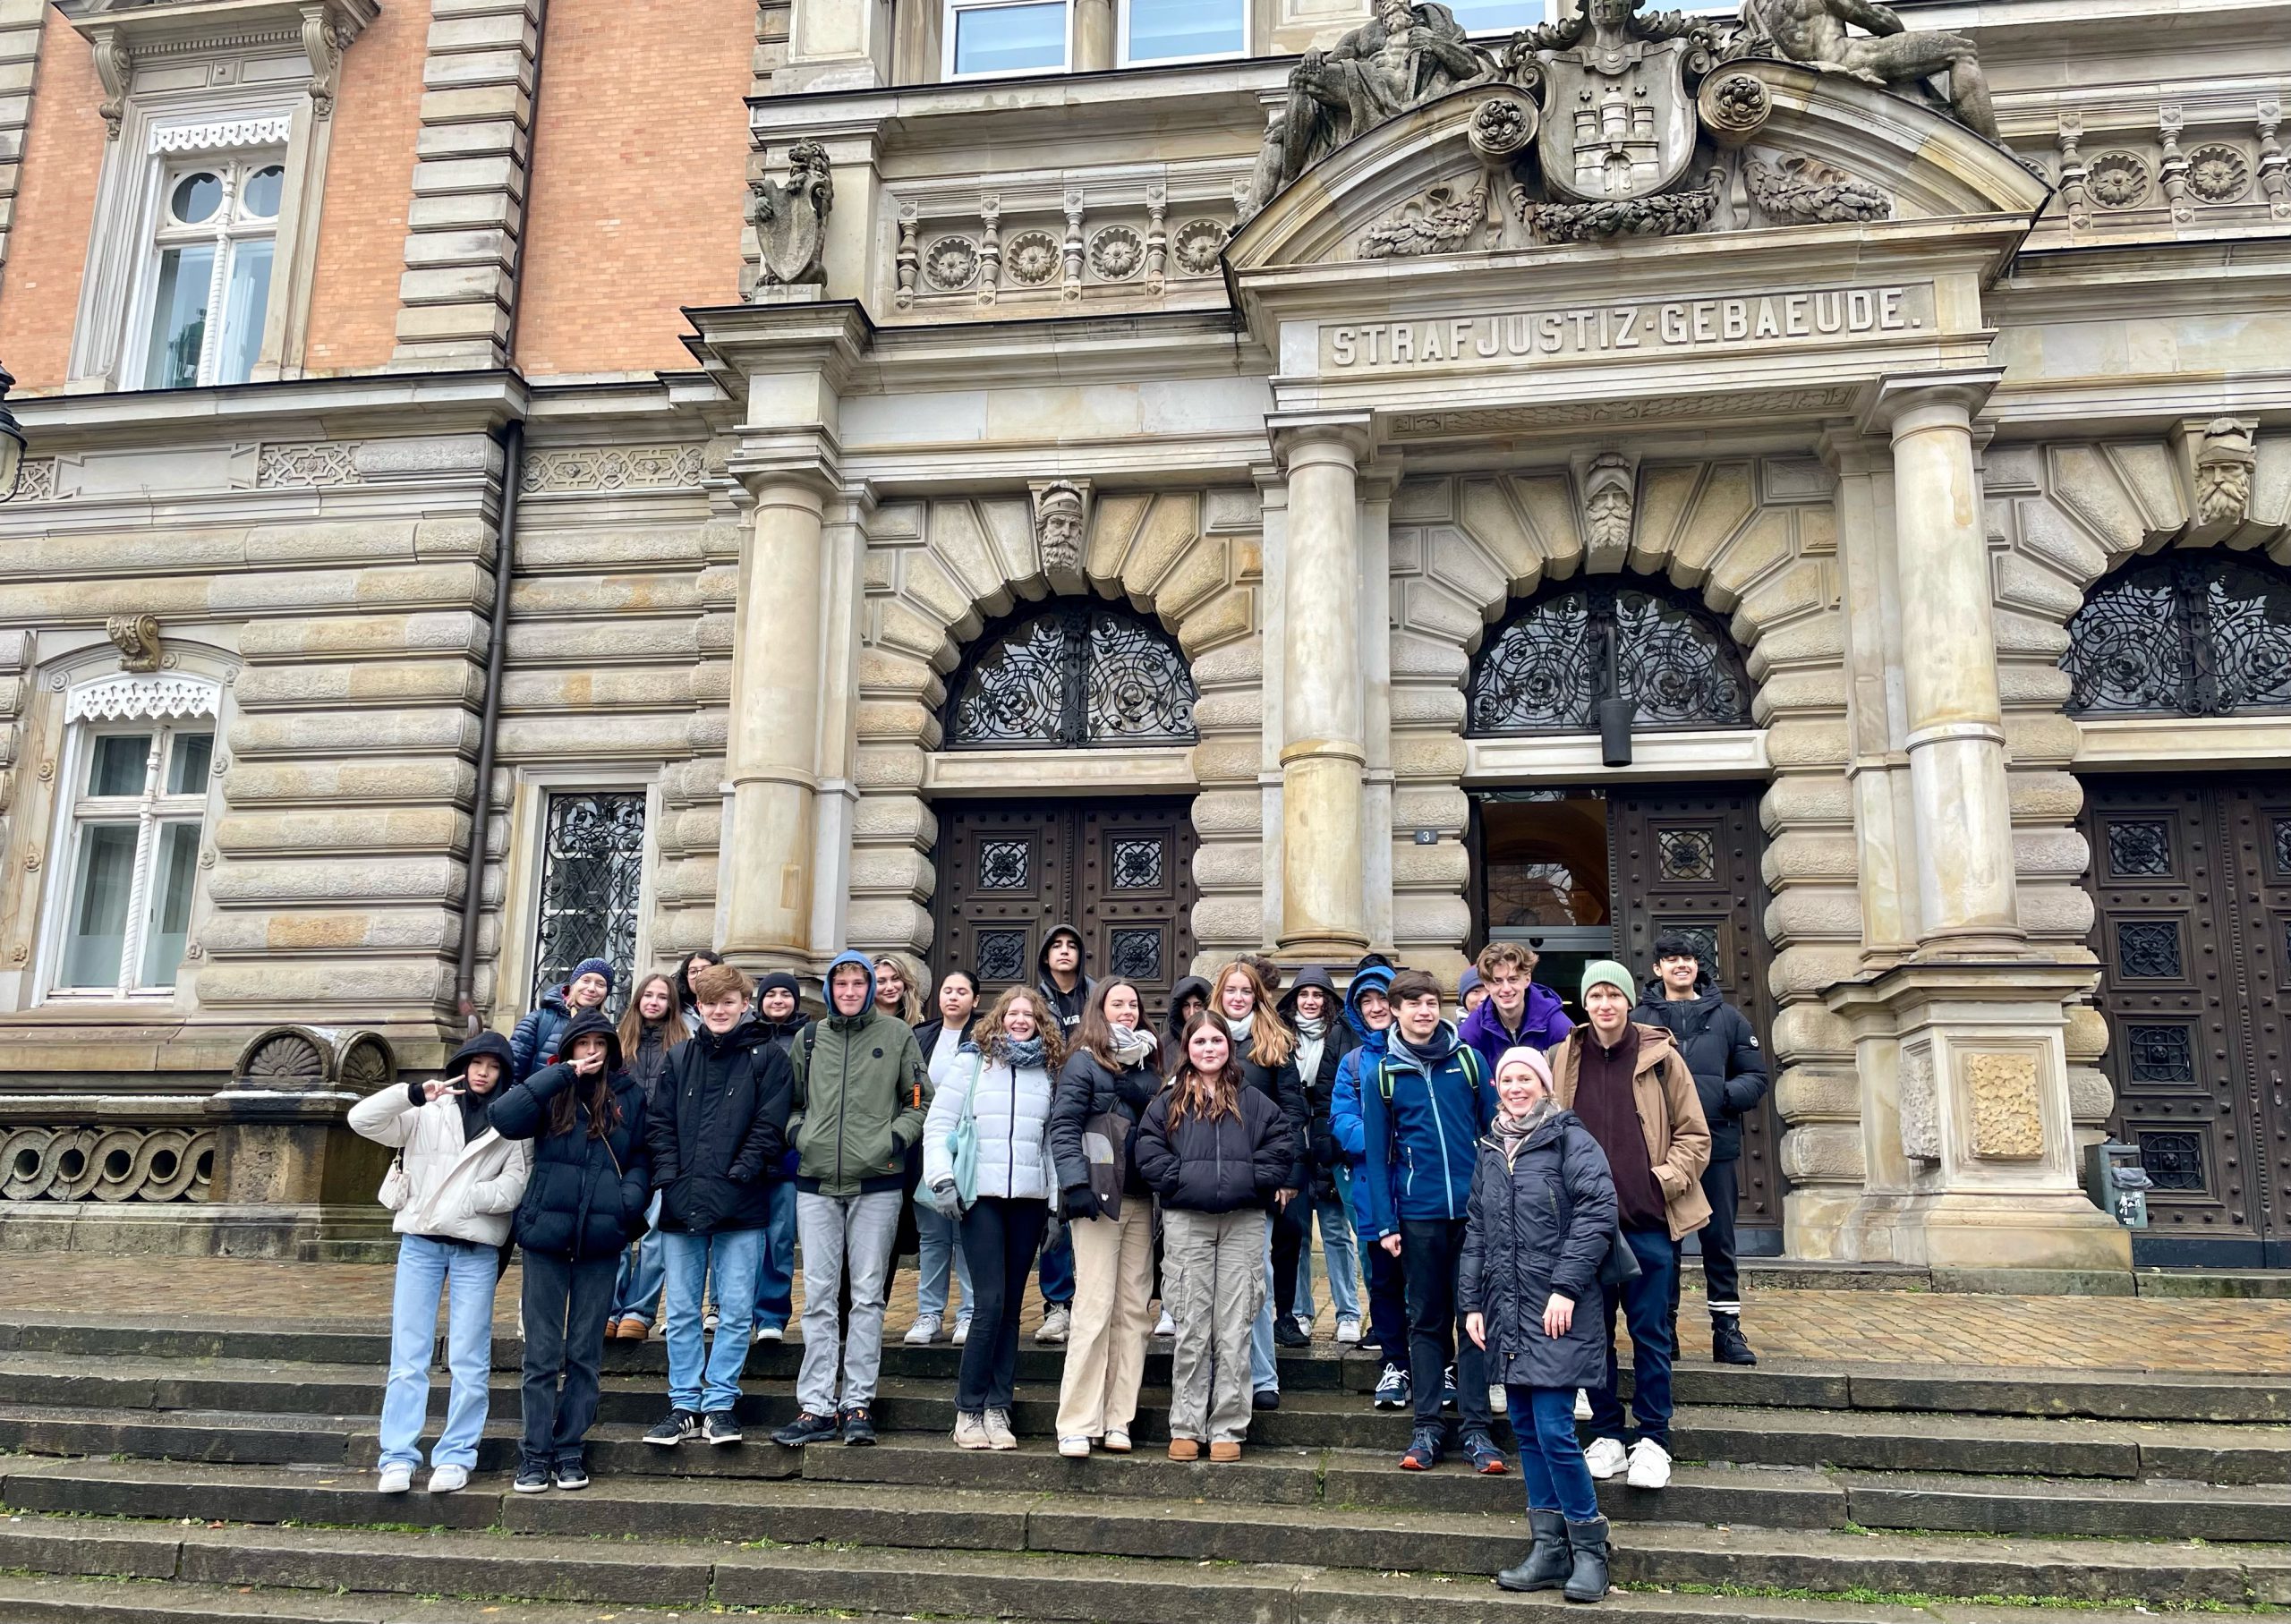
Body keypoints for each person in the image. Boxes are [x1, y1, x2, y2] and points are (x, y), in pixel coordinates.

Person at [1461, 1047, 1618, 1604]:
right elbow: (1477, 1230)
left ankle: (1591, 1548)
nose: (1515, 1087)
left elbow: (1598, 1212)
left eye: (1525, 1077)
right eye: (1507, 1078)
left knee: (1554, 1428)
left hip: (1557, 1306)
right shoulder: (1490, 1148)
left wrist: (1566, 1288)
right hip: (1506, 1308)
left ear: (1544, 1085)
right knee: (1526, 1428)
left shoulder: (1569, 1138)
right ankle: (1549, 1548)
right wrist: (1471, 1304)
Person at [1551, 959, 1711, 1493]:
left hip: (1647, 1224)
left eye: (1613, 995)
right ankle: (1606, 1433)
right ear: (1585, 1003)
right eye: (1595, 995)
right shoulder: (1562, 1057)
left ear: (1628, 1001)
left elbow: (1695, 1134)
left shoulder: (1661, 1057)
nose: (1604, 1005)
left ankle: (1653, 1438)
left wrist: (1660, 1182)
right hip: (1584, 1229)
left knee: (1651, 1335)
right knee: (1591, 1336)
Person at [348, 1033, 532, 1495]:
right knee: (408, 1355)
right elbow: (360, 1119)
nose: (483, 1072)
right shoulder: (428, 1111)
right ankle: (397, 1456)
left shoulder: (512, 1124)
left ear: (504, 1073)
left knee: (469, 1357)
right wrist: (412, 1093)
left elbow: (516, 1186)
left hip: (476, 1248)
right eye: (476, 1063)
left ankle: (456, 1455)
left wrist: (467, 1198)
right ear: (462, 1065)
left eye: (493, 1065)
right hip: (421, 1244)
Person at [488, 1009, 652, 1492]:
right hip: (546, 1235)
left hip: (602, 1237)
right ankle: (534, 1454)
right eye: (583, 1044)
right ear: (570, 1048)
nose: (592, 1052)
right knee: (541, 1354)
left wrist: (627, 1202)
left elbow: (643, 1156)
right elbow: (504, 1117)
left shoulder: (628, 1095)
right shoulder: (552, 1089)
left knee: (584, 1353)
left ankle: (569, 1448)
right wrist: (559, 1074)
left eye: (600, 1044)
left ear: (612, 1050)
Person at [775, 952, 932, 1449]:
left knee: (867, 1296)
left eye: (858, 984)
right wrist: (801, 1137)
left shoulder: (896, 1035)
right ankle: (816, 1405)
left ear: (869, 990)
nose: (849, 992)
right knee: (819, 1297)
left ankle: (857, 1402)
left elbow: (918, 1097)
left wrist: (894, 1139)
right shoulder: (809, 1038)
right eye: (841, 984)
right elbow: (791, 1102)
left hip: (878, 1183)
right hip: (816, 1183)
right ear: (829, 989)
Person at [1359, 968, 1505, 1475]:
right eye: (1414, 1004)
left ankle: (1477, 1429)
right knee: (1425, 1320)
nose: (1424, 1012)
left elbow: (1496, 1134)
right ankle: (1426, 1427)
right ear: (1395, 1011)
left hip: (1473, 1216)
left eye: (1431, 1003)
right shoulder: (1382, 1074)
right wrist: (1386, 1223)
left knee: (1474, 1319)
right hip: (1417, 1216)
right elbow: (1376, 1155)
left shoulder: (1468, 1061)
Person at [643, 961, 791, 1450]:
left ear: (744, 1004)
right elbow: (659, 1124)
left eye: (728, 1002)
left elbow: (770, 1126)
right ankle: (684, 1403)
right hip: (682, 1198)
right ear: (699, 1006)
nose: (719, 1011)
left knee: (735, 1309)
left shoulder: (769, 1058)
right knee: (683, 1310)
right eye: (710, 1003)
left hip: (741, 1201)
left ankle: (720, 1403)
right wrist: (669, 1176)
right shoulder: (680, 1056)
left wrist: (741, 1172)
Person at [1135, 1014, 1290, 1463]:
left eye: (1216, 1040)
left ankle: (1228, 1425)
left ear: (1229, 1046)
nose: (1209, 1048)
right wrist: (1181, 1180)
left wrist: (1251, 1181)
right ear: (1187, 1048)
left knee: (1235, 1325)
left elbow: (1281, 1144)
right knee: (1191, 1324)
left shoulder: (1253, 1099)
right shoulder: (1169, 1101)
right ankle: (1186, 1425)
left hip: (1243, 1221)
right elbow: (1148, 1148)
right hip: (1188, 1221)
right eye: (1200, 1041)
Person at [924, 984, 1060, 1450]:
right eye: (1012, 1013)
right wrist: (942, 1179)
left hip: (1029, 1199)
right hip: (980, 1198)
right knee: (990, 1302)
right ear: (999, 1018)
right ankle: (968, 1408)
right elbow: (939, 1124)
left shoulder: (1048, 1070)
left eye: (1029, 1015)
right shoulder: (973, 1062)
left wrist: (1055, 1203)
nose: (1020, 1020)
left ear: (1040, 1023)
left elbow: (1050, 1141)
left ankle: (998, 1407)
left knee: (1012, 1308)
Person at [1634, 932, 1769, 1367]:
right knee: (1664, 1242)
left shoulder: (1729, 1018)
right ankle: (1665, 1329)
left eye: (1688, 958)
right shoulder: (1639, 1020)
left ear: (1697, 966)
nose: (1681, 965)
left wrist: (1719, 1097)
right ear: (1658, 968)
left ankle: (1726, 1332)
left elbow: (1755, 1077)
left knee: (1719, 1241)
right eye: (1672, 958)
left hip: (1716, 1146)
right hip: (1659, 1151)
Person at [1048, 978, 1162, 1457]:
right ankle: (1078, 1420)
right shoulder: (1084, 1060)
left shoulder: (1151, 1063)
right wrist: (1074, 1184)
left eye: (1133, 1004)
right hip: (1097, 1199)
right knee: (1093, 1308)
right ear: (1100, 1008)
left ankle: (1119, 1418)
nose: (1127, 1010)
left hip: (1141, 1198)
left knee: (1133, 1312)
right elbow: (1064, 1124)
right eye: (1118, 1003)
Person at [1211, 959, 1306, 1409]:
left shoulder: (1275, 1041)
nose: (1238, 998)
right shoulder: (1203, 1035)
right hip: (1206, 1178)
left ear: (1257, 996)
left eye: (1245, 991)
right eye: (1231, 990)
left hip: (1258, 1179)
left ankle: (1264, 1376)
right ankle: (1219, 1373)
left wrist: (1288, 1175)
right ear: (1219, 994)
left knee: (1257, 1279)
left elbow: (1292, 1112)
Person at [1328, 962, 1409, 1407]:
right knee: (1383, 1282)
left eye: (1382, 998)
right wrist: (1388, 1141)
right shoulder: (1354, 1063)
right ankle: (1394, 1363)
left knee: (1428, 1284)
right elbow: (1342, 1121)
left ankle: (1437, 1365)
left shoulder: (1422, 1051)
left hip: (1421, 1188)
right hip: (1374, 1188)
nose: (1376, 1007)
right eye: (1366, 1001)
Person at [1279, 966, 1361, 1346]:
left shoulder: (1342, 1033)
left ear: (1328, 1000)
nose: (1310, 1001)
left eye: (1317, 995)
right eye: (1304, 994)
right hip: (1294, 1142)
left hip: (1329, 1140)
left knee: (1335, 1230)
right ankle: (1300, 1311)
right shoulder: (1280, 1034)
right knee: (1295, 1232)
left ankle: (1348, 1312)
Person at [607, 974, 686, 1341]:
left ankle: (639, 1310)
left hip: (665, 1148)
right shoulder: (619, 1042)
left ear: (672, 1004)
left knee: (656, 1232)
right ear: (638, 999)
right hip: (622, 1147)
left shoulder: (683, 1044)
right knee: (618, 1226)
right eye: (648, 995)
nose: (654, 1002)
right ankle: (610, 1306)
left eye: (662, 996)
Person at [907, 967, 980, 1346]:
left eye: (962, 991)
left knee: (967, 1235)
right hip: (927, 1147)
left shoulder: (985, 1036)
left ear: (975, 1000)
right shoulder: (921, 1036)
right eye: (948, 990)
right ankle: (929, 1313)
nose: (953, 997)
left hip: (970, 1149)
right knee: (933, 1236)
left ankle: (968, 1313)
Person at [1033, 925, 1093, 1347]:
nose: (1064, 952)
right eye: (1057, 946)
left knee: (1092, 1205)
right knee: (1055, 1212)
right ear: (1045, 955)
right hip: (1048, 1112)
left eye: (1072, 945)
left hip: (1094, 1112)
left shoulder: (1097, 995)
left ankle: (1089, 1300)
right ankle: (1057, 1304)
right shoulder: (1034, 1001)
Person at [746, 972, 811, 1344]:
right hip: (747, 1151)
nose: (778, 1001)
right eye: (771, 995)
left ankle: (771, 1314)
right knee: (740, 1238)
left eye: (786, 994)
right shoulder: (746, 1036)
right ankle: (732, 1309)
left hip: (787, 1153)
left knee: (780, 1238)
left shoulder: (808, 1039)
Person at [1460, 941, 1573, 1076]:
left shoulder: (1556, 1024)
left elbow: (1574, 1075)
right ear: (1487, 984)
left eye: (1513, 979)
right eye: (1497, 981)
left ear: (1527, 979)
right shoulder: (1472, 1030)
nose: (1506, 989)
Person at [511, 957, 612, 1084]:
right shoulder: (538, 1021)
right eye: (586, 980)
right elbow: (511, 1074)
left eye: (600, 984)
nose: (592, 988)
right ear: (573, 984)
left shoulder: (607, 1030)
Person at [874, 954, 924, 1025]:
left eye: (896, 979)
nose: (890, 987)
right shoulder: (862, 1021)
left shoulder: (918, 1020)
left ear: (905, 982)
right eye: (881, 981)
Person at [676, 949, 724, 1018]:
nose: (699, 976)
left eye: (706, 970)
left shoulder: (732, 1004)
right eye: (693, 971)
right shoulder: (676, 1009)